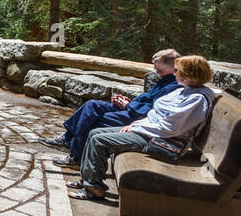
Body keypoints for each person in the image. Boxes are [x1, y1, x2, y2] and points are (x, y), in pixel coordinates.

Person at [69, 55, 217, 201]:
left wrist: (137, 128)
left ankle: (93, 189)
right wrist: (135, 125)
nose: (174, 73)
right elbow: (156, 115)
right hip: (150, 131)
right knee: (94, 132)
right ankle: (88, 179)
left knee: (99, 141)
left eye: (177, 70)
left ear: (189, 74)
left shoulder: (197, 99)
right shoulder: (185, 90)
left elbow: (170, 128)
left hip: (162, 141)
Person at [41, 48, 182, 169]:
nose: (156, 72)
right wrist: (128, 102)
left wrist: (128, 105)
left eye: (159, 69)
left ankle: (76, 159)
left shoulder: (174, 86)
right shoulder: (165, 79)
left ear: (172, 66)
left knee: (93, 120)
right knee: (92, 105)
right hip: (131, 109)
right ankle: (66, 139)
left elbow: (153, 111)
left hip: (138, 118)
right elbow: (146, 100)